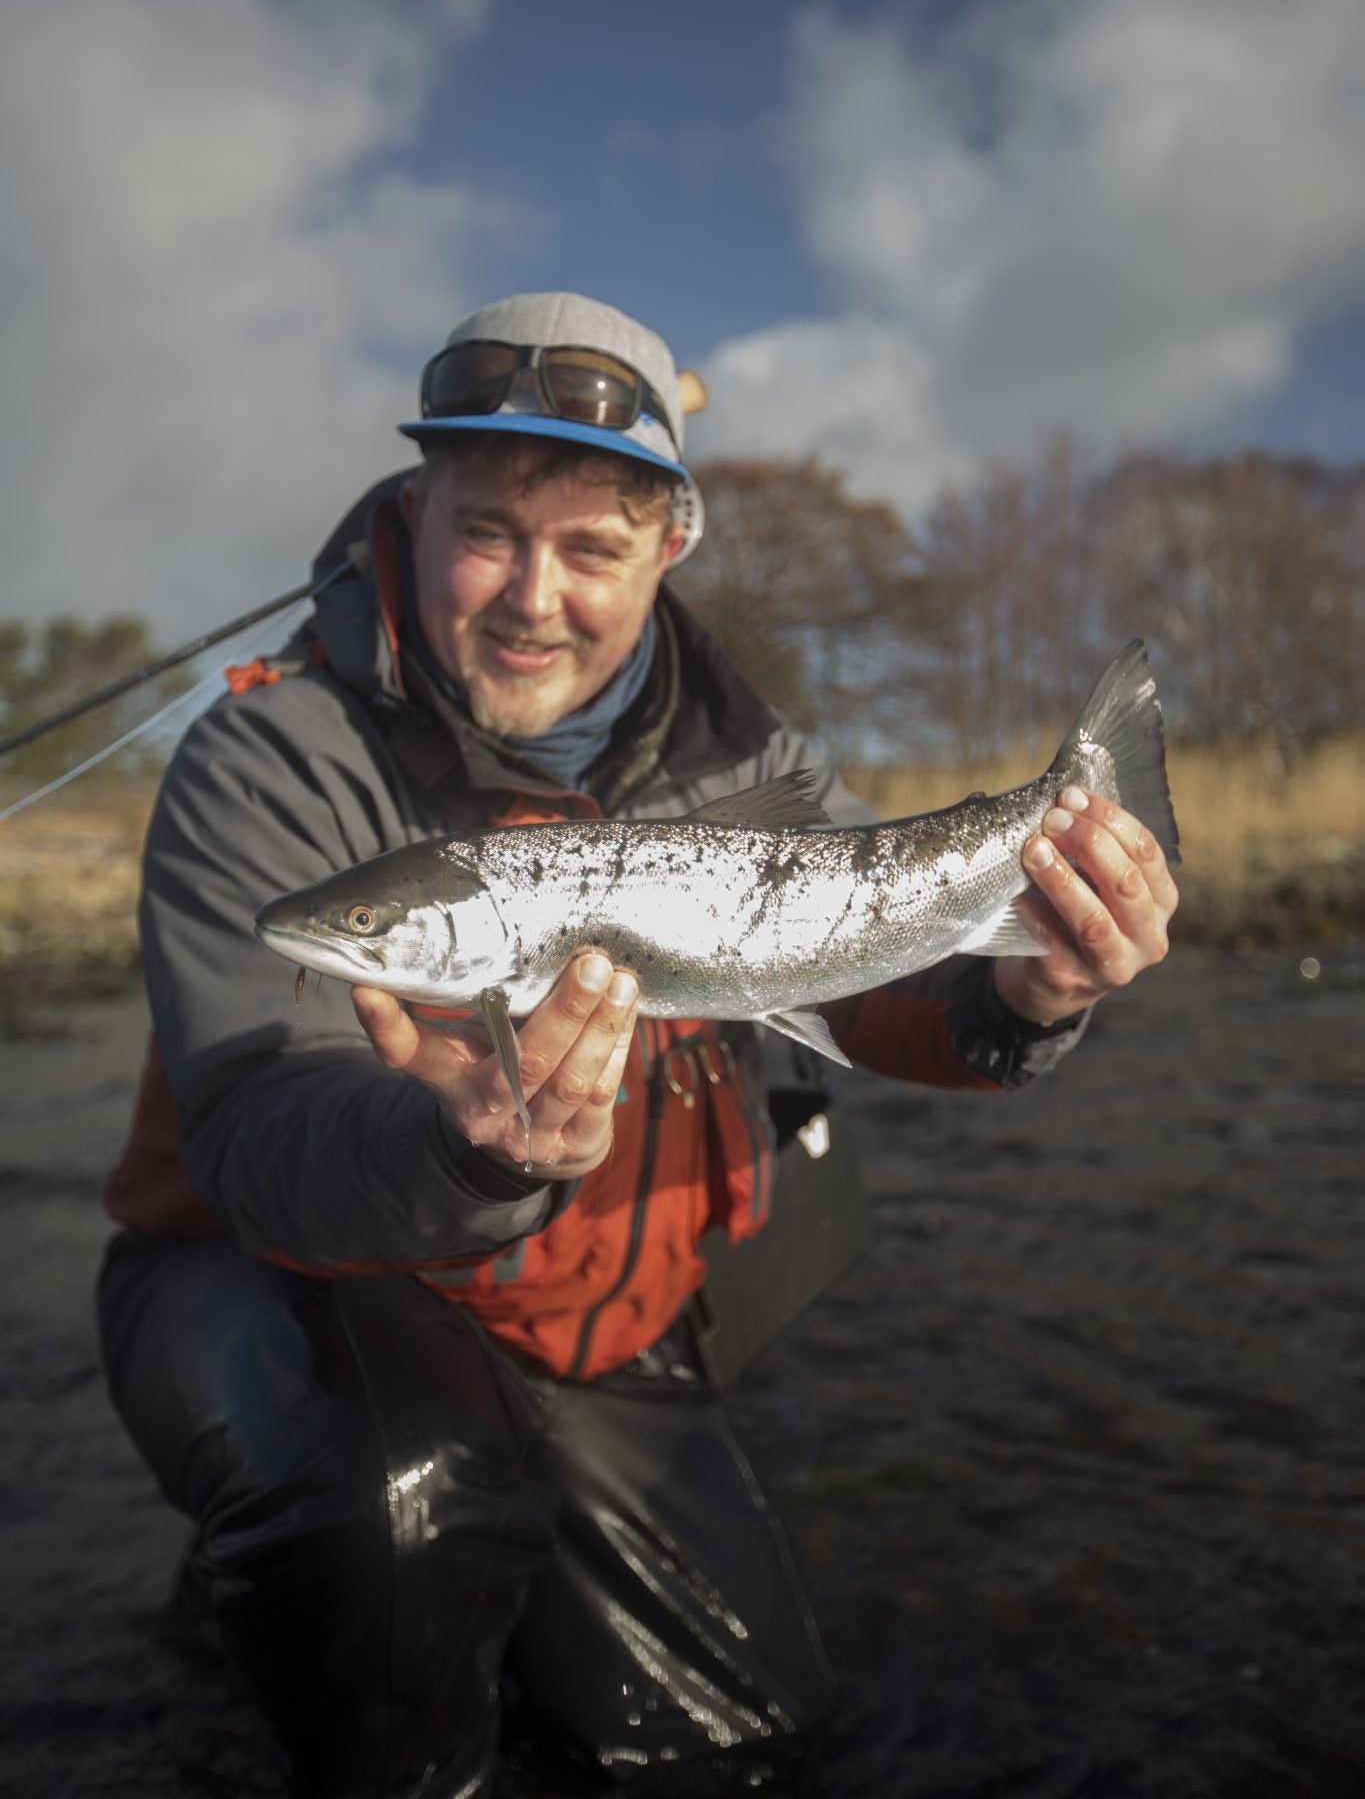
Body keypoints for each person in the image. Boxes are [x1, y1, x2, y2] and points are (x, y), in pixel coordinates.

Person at [99, 291, 1178, 1799]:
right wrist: (458, 1143)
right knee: (392, 1507)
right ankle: (287, 1556)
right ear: (415, 511)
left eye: (592, 549)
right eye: (488, 531)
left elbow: (871, 980)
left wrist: (1030, 991)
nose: (533, 597)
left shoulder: (747, 752)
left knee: (739, 1744)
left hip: (587, 1312)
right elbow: (258, 1131)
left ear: (670, 549)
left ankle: (305, 1587)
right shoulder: (268, 756)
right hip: (286, 1281)